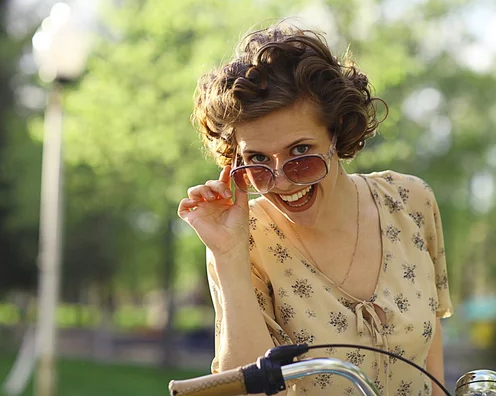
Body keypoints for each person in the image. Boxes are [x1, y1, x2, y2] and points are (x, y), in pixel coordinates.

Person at [178, 22, 453, 396]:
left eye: (300, 152)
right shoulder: (242, 241)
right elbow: (248, 390)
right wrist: (228, 254)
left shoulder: (411, 201)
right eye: (257, 160)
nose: (282, 181)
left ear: (336, 132)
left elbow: (430, 358)